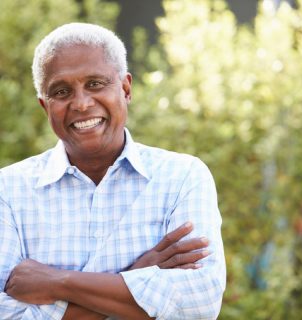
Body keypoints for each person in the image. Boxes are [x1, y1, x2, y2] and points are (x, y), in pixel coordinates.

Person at [0, 23, 226, 319]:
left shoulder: (182, 177)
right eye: (62, 91)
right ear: (45, 106)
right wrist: (137, 276)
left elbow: (199, 303)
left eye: (95, 83)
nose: (81, 103)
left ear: (126, 88)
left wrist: (57, 282)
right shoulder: (8, 190)